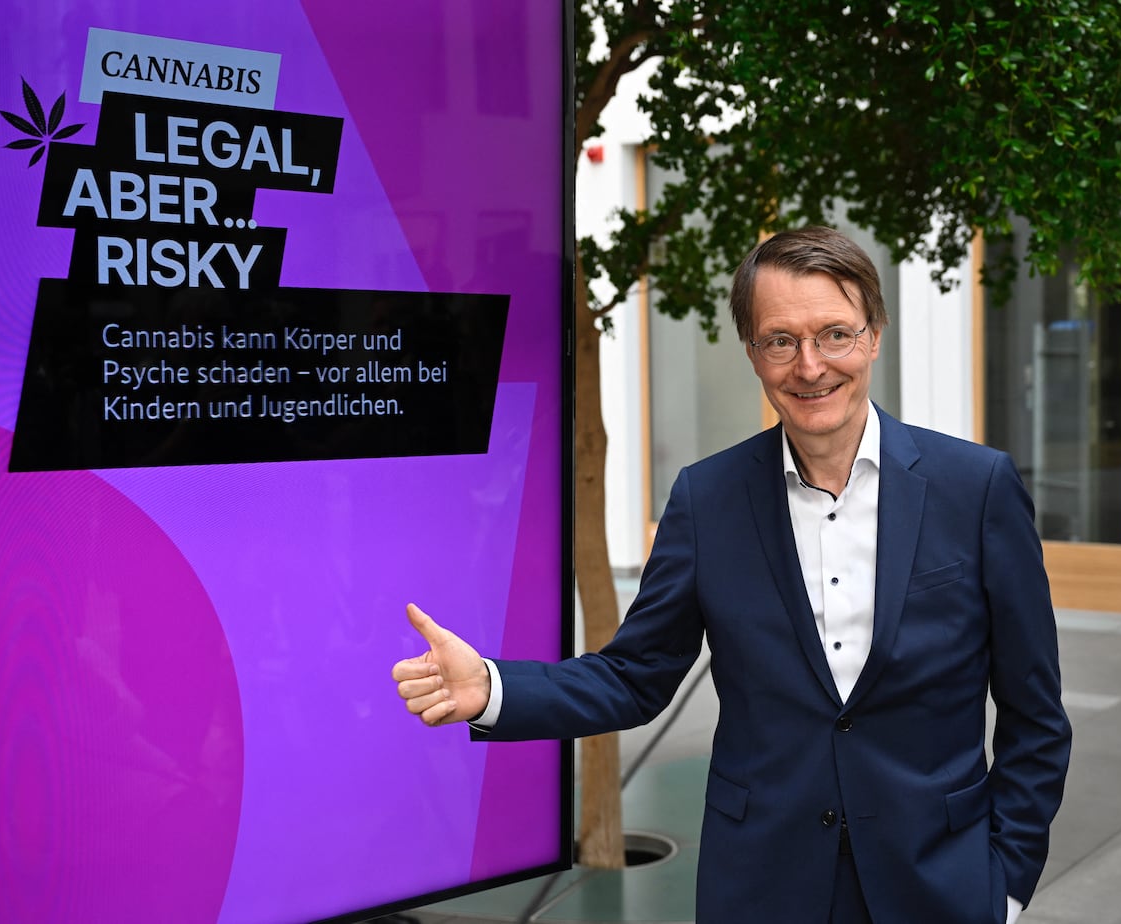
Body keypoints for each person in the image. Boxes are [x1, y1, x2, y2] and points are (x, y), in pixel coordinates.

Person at [392, 226, 1071, 924]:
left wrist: (1006, 888)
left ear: (873, 336)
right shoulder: (706, 500)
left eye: (834, 334)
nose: (810, 366)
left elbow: (1036, 717)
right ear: (752, 353)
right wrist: (491, 687)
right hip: (762, 889)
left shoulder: (977, 488)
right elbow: (635, 677)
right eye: (781, 340)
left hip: (940, 888)